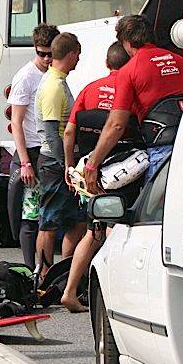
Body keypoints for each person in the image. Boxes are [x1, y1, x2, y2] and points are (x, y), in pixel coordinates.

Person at [84, 14, 183, 193]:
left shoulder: (129, 70)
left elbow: (116, 124)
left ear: (126, 42)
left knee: (155, 212)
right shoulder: (180, 61)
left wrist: (92, 164)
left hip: (162, 148)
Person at [60, 42, 132, 312]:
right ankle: (114, 297)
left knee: (92, 231)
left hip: (89, 173)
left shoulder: (89, 89)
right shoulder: (128, 89)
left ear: (106, 63)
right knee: (116, 229)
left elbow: (69, 132)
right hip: (120, 172)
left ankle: (69, 291)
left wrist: (71, 167)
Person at [34, 32, 87, 286]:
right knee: (49, 222)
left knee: (76, 222)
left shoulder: (57, 80)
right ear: (71, 54)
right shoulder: (54, 85)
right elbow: (52, 133)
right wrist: (66, 166)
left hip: (61, 162)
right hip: (54, 163)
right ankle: (43, 276)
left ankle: (64, 273)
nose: (80, 59)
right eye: (78, 54)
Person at [6, 24, 59, 270]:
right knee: (31, 215)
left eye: (51, 54)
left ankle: (47, 270)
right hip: (32, 152)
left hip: (50, 150)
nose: (47, 59)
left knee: (49, 215)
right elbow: (16, 123)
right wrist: (25, 162)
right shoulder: (26, 77)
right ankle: (30, 270)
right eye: (42, 54)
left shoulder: (55, 74)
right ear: (34, 50)